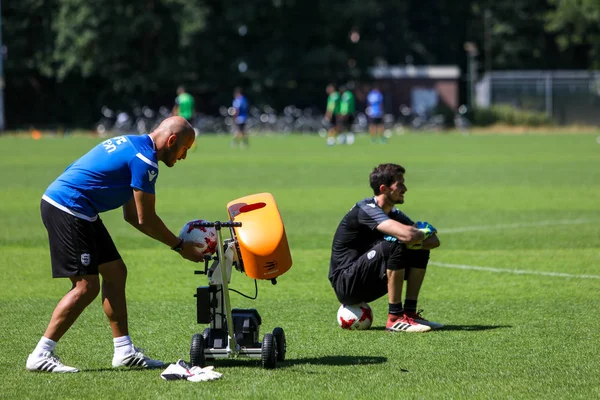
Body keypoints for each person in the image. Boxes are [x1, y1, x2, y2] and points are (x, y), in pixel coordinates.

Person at [26, 116, 205, 373]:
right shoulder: (145, 161)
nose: (184, 156)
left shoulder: (134, 145)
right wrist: (179, 247)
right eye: (184, 150)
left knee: (115, 272)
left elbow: (132, 217)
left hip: (78, 208)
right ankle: (41, 353)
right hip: (68, 207)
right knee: (86, 286)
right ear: (172, 140)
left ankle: (124, 351)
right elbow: (146, 219)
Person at [328, 163, 443, 332]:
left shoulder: (394, 213)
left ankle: (410, 313)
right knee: (397, 244)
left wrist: (417, 236)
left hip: (368, 279)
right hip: (346, 283)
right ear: (384, 188)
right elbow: (409, 235)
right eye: (400, 184)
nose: (405, 189)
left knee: (418, 249)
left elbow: (434, 242)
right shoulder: (366, 209)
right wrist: (421, 232)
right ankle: (394, 318)